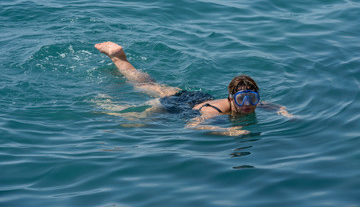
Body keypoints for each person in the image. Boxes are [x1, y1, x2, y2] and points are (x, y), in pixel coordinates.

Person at [95, 41, 294, 136]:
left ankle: (119, 58)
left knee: (147, 84)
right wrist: (228, 133)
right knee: (136, 122)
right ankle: (106, 105)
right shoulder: (214, 112)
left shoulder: (251, 104)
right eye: (242, 99)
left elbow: (270, 105)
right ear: (231, 98)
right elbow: (193, 126)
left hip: (193, 97)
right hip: (177, 106)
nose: (248, 105)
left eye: (252, 99)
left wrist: (284, 111)